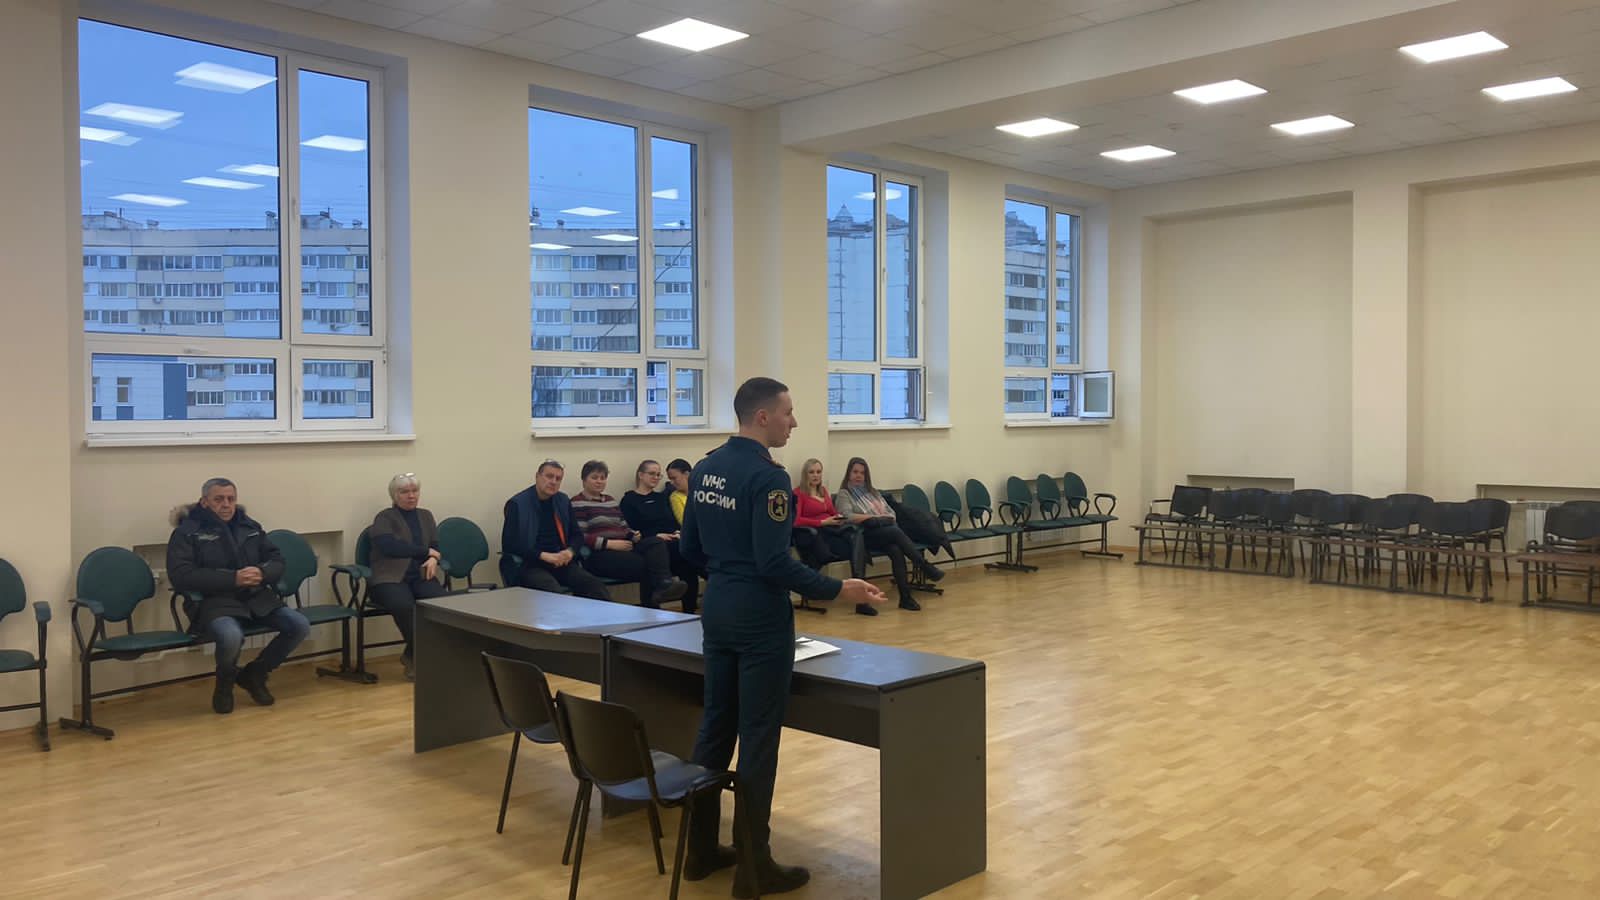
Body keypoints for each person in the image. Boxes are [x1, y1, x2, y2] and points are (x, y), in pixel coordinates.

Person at [681, 377, 885, 897]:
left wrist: (727, 575)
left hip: (718, 608)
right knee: (758, 739)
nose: (794, 422)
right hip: (759, 619)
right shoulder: (768, 478)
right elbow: (774, 562)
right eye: (788, 412)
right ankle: (755, 867)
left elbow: (690, 548)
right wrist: (838, 589)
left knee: (714, 727)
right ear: (762, 417)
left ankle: (700, 850)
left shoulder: (706, 468)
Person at [167, 477, 312, 715]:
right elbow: (182, 576)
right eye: (218, 499)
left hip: (255, 596)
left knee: (299, 625)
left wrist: (263, 573)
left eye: (231, 499)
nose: (226, 504)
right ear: (204, 502)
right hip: (214, 601)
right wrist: (232, 579)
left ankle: (255, 674)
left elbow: (277, 560)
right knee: (231, 635)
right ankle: (224, 684)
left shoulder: (249, 526)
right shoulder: (187, 532)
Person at [571, 460, 688, 608]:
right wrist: (610, 544)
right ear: (584, 480)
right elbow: (581, 537)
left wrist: (633, 535)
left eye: (603, 478)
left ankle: (664, 584)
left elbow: (623, 526)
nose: (599, 481)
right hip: (599, 554)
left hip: (624, 546)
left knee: (655, 542)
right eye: (594, 478)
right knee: (647, 564)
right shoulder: (577, 502)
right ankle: (653, 605)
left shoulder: (610, 501)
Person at [834, 457, 945, 611]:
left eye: (862, 473)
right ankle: (924, 566)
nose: (858, 476)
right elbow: (846, 516)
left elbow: (891, 513)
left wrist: (884, 518)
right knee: (894, 532)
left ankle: (905, 598)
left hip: (882, 532)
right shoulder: (844, 494)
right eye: (855, 472)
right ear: (849, 474)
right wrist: (873, 518)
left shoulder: (873, 492)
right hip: (862, 535)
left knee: (896, 550)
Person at [368, 473, 450, 681]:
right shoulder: (385, 517)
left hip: (420, 575)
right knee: (405, 606)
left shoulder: (426, 515)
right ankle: (420, 658)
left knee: (443, 605)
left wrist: (434, 559)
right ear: (394, 495)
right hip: (389, 577)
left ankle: (411, 655)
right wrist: (426, 552)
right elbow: (389, 547)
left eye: (415, 491)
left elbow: (435, 546)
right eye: (405, 492)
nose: (411, 496)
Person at [501, 460, 610, 600]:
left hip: (561, 561)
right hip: (531, 564)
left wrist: (569, 552)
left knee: (594, 586)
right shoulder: (517, 504)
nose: (553, 482)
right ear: (537, 476)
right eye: (549, 476)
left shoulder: (562, 501)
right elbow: (510, 544)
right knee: (554, 594)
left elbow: (577, 535)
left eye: (558, 479)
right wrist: (544, 556)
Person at [792, 458, 873, 616]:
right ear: (805, 474)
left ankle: (861, 595)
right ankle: (861, 595)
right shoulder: (798, 493)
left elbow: (832, 512)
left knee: (856, 535)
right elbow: (796, 520)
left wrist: (838, 518)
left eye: (818, 472)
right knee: (856, 544)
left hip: (832, 530)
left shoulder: (823, 491)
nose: (816, 475)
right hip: (817, 534)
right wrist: (823, 522)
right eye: (811, 472)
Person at [620, 459, 701, 613]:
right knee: (658, 550)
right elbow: (631, 529)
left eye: (658, 475)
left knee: (688, 560)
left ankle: (690, 611)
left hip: (669, 542)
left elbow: (671, 521)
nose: (656, 478)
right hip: (647, 543)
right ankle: (662, 589)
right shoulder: (629, 500)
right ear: (641, 475)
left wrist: (677, 532)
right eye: (652, 474)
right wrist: (657, 535)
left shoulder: (662, 498)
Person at [665, 458, 694, 526]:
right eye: (670, 479)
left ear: (687, 474)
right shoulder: (675, 497)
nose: (671, 483)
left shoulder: (701, 491)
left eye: (674, 478)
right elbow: (685, 523)